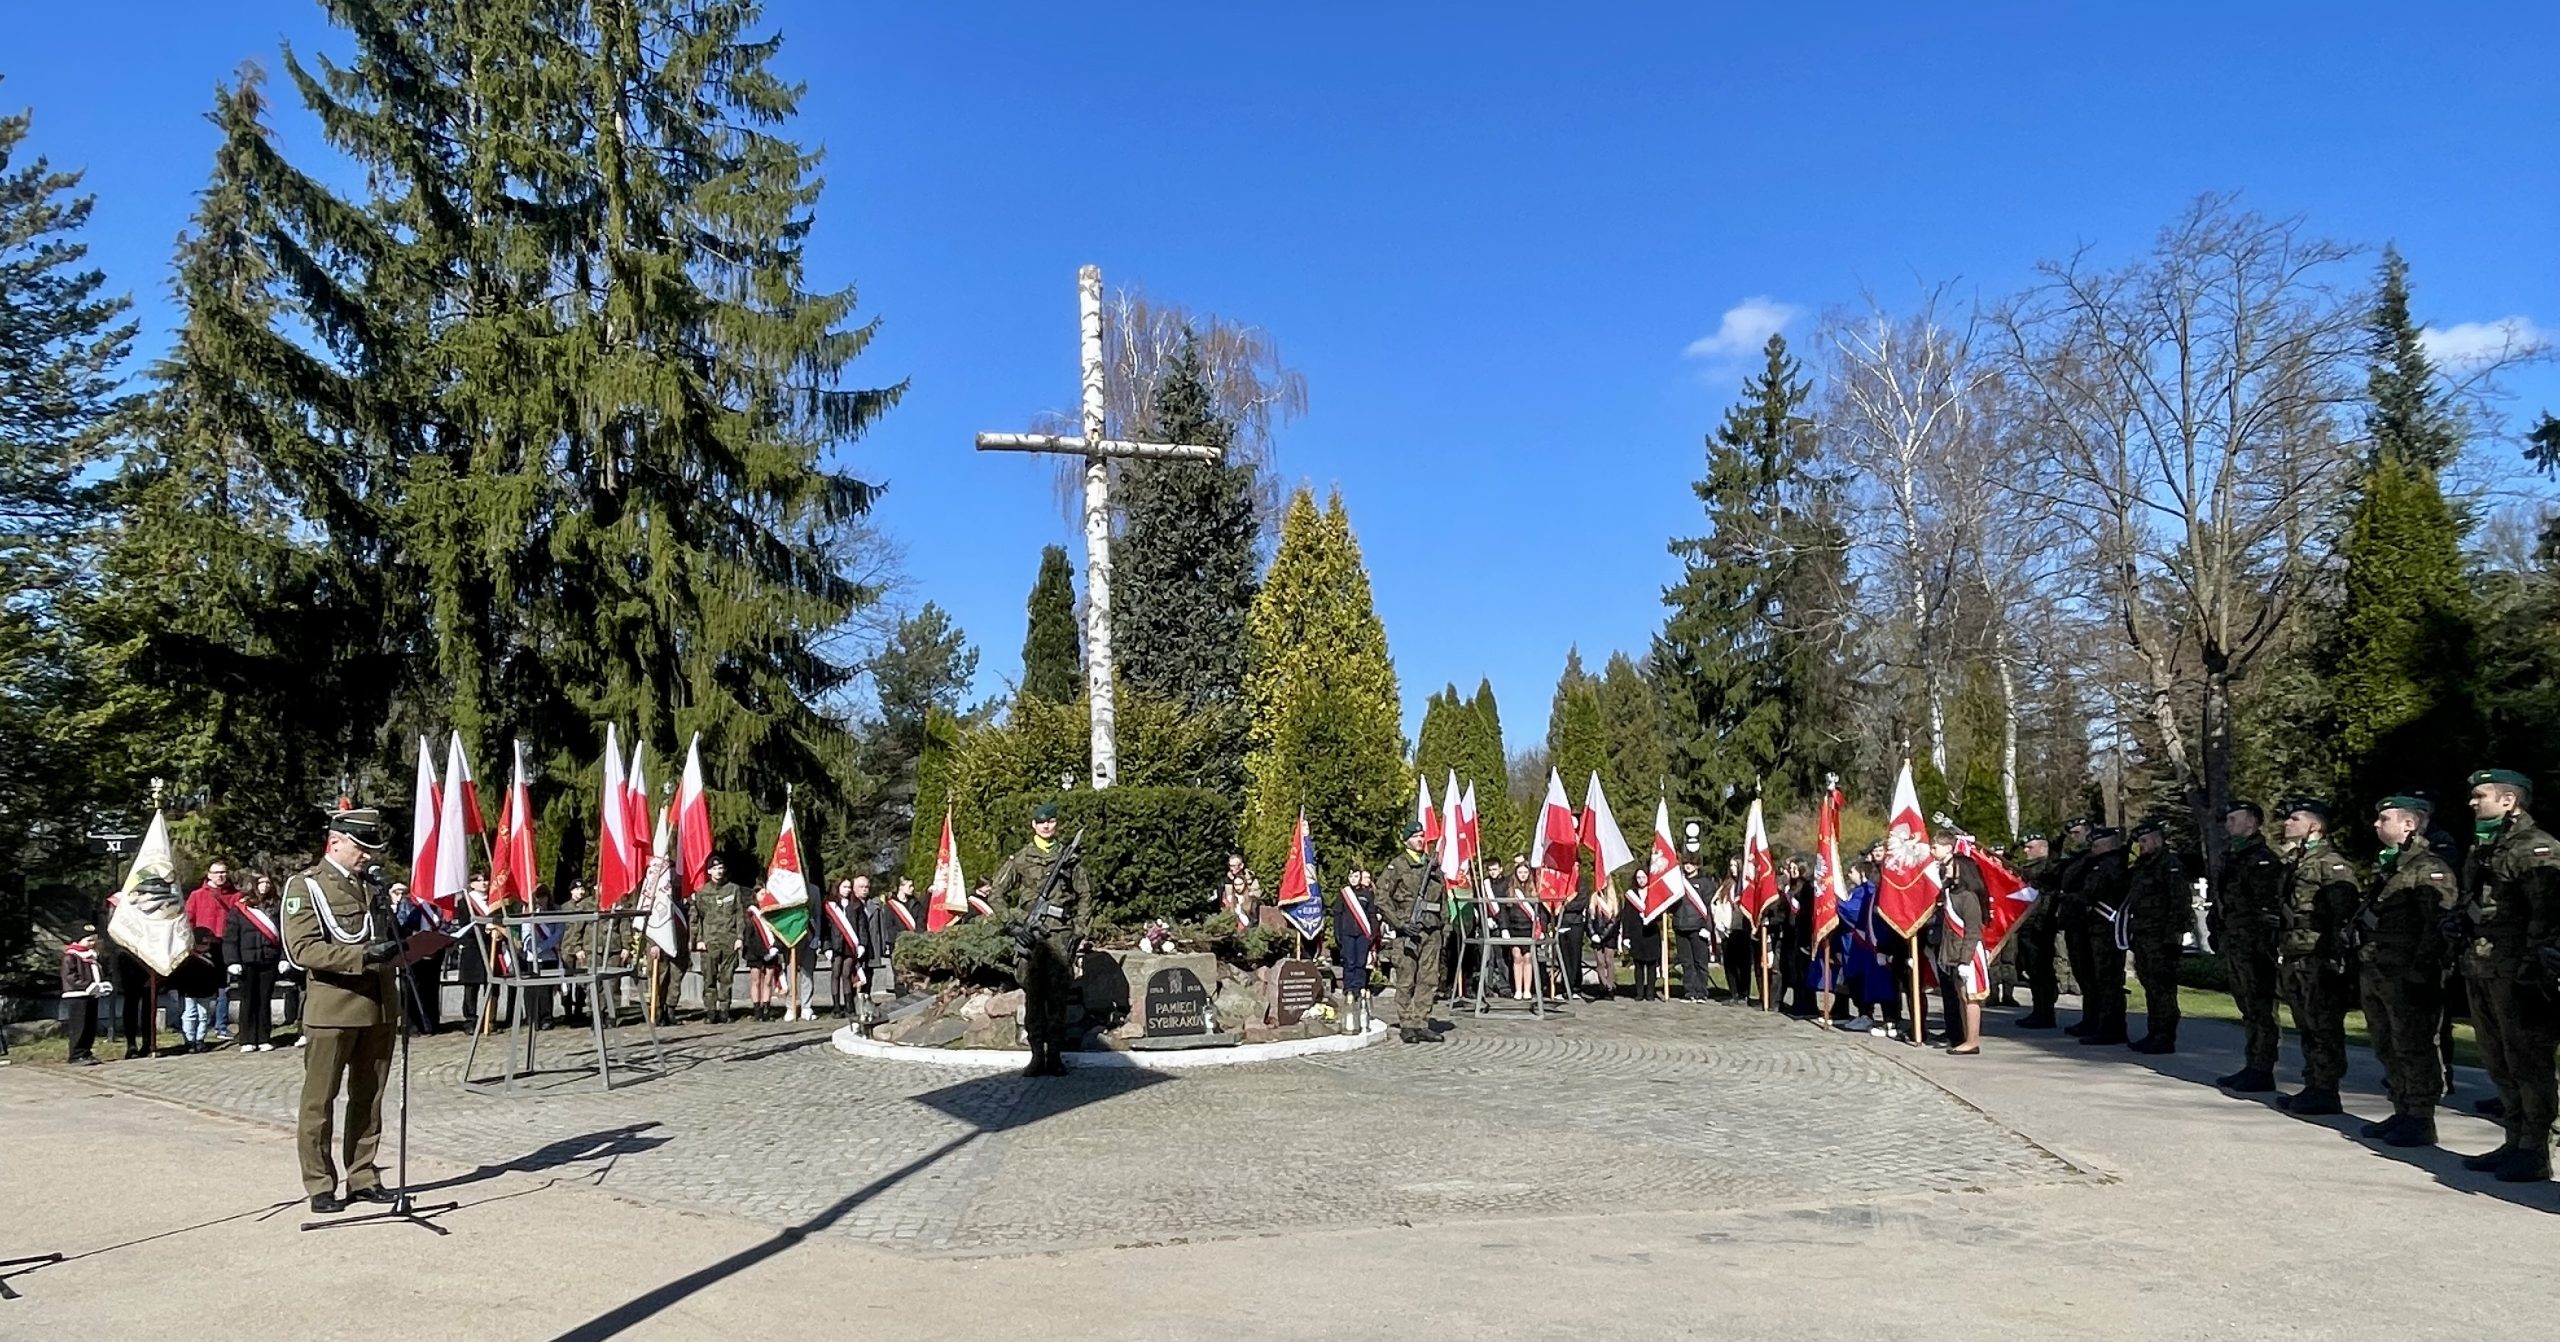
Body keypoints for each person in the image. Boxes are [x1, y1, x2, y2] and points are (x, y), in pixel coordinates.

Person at [286, 807, 405, 1214]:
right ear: (335, 842)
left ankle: (363, 1177)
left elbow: (385, 937)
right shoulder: (307, 886)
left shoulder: (371, 886)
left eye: (372, 849)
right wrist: (363, 956)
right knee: (319, 1101)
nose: (368, 856)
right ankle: (320, 1184)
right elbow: (302, 950)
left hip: (379, 1007)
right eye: (361, 847)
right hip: (333, 1009)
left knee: (369, 1098)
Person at [2451, 768, 2560, 1182]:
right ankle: (2514, 1139)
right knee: (2498, 1060)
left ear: (2509, 800)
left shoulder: (2536, 848)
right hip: (2483, 967)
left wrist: (2536, 971)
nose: (2472, 802)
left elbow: (2549, 916)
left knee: (2528, 1061)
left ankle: (2536, 1149)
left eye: (2481, 795)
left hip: (2519, 974)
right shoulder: (2486, 848)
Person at [2358, 795, 2458, 1148]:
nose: (2376, 824)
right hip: (2381, 971)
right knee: (2387, 1044)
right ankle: (2402, 1108)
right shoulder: (2391, 867)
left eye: (2384, 818)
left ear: (2409, 824)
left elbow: (2437, 927)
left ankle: (2420, 1117)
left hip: (2409, 974)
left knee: (2414, 1046)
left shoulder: (2428, 868)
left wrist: (2422, 972)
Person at [986, 801, 1092, 1075]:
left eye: (1051, 821)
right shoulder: (1021, 858)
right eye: (1041, 822)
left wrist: (1079, 929)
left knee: (1058, 998)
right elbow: (996, 893)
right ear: (1033, 825)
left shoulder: (1068, 858)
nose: (1046, 826)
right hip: (1032, 938)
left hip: (1059, 937)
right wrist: (1012, 924)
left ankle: (1054, 1055)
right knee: (1033, 997)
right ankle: (1036, 1056)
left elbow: (1084, 895)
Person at [2274, 799, 2360, 1115]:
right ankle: (2313, 1084)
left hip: (2318, 954)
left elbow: (2343, 914)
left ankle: (2326, 1089)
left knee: (2323, 1024)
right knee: (2307, 1024)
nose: (2287, 823)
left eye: (2295, 818)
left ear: (2315, 826)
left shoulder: (2330, 864)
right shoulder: (2295, 861)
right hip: (2295, 951)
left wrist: (2337, 957)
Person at [2211, 803, 2287, 1090]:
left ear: (2252, 823)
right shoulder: (2233, 857)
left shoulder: (2262, 860)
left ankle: (2262, 1068)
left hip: (2255, 946)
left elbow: (2268, 909)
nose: (2228, 824)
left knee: (2261, 1008)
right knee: (2248, 1007)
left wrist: (2265, 945)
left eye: (2234, 818)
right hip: (2236, 943)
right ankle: (2252, 1064)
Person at [1373, 821, 1450, 1043]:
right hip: (1408, 931)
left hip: (1432, 930)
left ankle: (1421, 1022)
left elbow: (1443, 899)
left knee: (1428, 979)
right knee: (1406, 979)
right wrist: (1399, 923)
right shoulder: (1397, 865)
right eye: (1415, 836)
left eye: (1422, 836)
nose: (1420, 840)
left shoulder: (1432, 867)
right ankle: (1407, 1024)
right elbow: (1381, 897)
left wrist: (1445, 926)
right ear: (1406, 840)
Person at [2125, 819, 2191, 1055]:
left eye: (2144, 841)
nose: (2141, 846)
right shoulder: (2145, 866)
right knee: (2150, 986)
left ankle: (2164, 1036)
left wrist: (2172, 936)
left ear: (2156, 839)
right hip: (2144, 934)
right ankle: (2154, 1032)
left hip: (2161, 937)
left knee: (2163, 989)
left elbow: (2180, 901)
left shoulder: (2169, 864)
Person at [1932, 832, 1989, 1054]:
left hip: (1969, 954)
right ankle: (1966, 1037)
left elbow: (1973, 931)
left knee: (1971, 997)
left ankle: (1972, 1040)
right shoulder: (1951, 893)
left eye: (1950, 866)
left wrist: (1965, 961)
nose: (1946, 869)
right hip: (1954, 953)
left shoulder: (1968, 897)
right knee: (1962, 997)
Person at [2077, 827, 2131, 1046]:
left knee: (2109, 981)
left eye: (2097, 845)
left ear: (2108, 845)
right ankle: (2102, 1024)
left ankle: (2112, 1028)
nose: (2093, 849)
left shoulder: (2113, 864)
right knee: (2100, 980)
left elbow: (2095, 892)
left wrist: (2076, 898)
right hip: (2097, 928)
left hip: (2108, 929)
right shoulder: (2100, 863)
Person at [224, 874, 288, 1052]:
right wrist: (232, 960)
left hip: (269, 959)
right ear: (253, 885)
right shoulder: (240, 908)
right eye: (261, 883)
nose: (265, 886)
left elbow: (285, 935)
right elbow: (231, 937)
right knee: (248, 1000)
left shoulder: (278, 906)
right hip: (246, 961)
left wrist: (284, 958)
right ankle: (247, 1039)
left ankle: (264, 1037)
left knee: (264, 999)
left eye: (268, 882)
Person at [185, 859, 241, 1044]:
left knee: (224, 987)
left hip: (226, 945)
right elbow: (189, 920)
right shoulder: (197, 895)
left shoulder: (235, 896)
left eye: (223, 872)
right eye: (216, 872)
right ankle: (196, 1032)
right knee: (200, 988)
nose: (220, 876)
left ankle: (221, 1026)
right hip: (203, 948)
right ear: (209, 875)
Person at [2010, 834, 2062, 1027]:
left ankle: (2045, 1011)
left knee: (2041, 968)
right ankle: (2039, 1009)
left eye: (2030, 847)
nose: (2025, 851)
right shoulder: (2029, 868)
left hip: (2041, 924)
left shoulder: (2047, 868)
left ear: (2042, 848)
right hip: (2028, 924)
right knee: (2032, 967)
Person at [2053, 820, 2099, 1036]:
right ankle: (2089, 1019)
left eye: (2077, 833)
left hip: (2088, 923)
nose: (2073, 837)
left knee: (2093, 976)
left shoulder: (2094, 860)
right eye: (2071, 834)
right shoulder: (2075, 860)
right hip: (2074, 922)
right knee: (2083, 974)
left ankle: (2098, 1021)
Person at [693, 857, 745, 1023]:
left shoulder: (733, 889)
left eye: (721, 868)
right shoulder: (702, 892)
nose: (718, 871)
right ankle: (710, 1011)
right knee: (709, 978)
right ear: (709, 871)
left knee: (726, 978)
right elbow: (697, 918)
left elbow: (739, 914)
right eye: (715, 869)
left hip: (729, 939)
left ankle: (724, 1010)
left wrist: (739, 937)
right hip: (709, 942)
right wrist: (699, 939)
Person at [60, 926, 109, 1065]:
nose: (92, 943)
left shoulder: (91, 956)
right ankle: (76, 1054)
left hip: (91, 994)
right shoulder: (71, 956)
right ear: (78, 940)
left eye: (94, 940)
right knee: (79, 1026)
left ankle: (86, 1052)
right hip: (77, 996)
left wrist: (101, 985)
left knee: (90, 1026)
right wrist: (87, 985)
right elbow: (71, 977)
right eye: (89, 940)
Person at [818, 877, 866, 1017]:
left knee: (846, 974)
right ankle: (836, 1007)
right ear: (838, 887)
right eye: (844, 887)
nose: (847, 890)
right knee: (835, 973)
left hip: (850, 946)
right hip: (835, 945)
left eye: (849, 887)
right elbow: (825, 929)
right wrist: (826, 947)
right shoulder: (829, 906)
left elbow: (862, 926)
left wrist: (862, 944)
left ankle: (849, 1006)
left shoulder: (856, 905)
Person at [1336, 869, 1378, 1026]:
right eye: (1351, 876)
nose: (1353, 879)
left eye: (1356, 876)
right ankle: (1349, 989)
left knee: (1361, 963)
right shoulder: (1344, 894)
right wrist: (1338, 933)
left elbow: (1372, 914)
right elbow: (1337, 914)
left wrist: (1372, 934)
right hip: (1347, 933)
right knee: (1349, 962)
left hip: (1362, 934)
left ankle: (1359, 987)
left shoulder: (1367, 894)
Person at [1622, 871, 1664, 1001]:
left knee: (1652, 965)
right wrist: (1626, 936)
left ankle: (1650, 992)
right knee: (1638, 964)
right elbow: (1626, 916)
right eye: (1638, 877)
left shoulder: (1654, 892)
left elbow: (1660, 913)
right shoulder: (1631, 895)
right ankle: (1639, 992)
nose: (1641, 880)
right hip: (1636, 933)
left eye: (1643, 877)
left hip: (1651, 932)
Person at [1557, 864, 1593, 999]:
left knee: (1575, 956)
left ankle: (1574, 987)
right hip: (1561, 922)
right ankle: (1565, 986)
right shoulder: (1561, 882)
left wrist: (1564, 906)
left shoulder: (1581, 884)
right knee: (1563, 957)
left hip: (1576, 923)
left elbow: (1581, 903)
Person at [1220, 853, 1263, 928]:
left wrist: (1247, 895)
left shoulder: (1250, 877)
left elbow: (1258, 894)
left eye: (1234, 866)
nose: (1231, 868)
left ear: (1241, 866)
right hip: (1235, 912)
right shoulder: (1228, 880)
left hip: (1250, 911)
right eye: (1230, 865)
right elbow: (1228, 897)